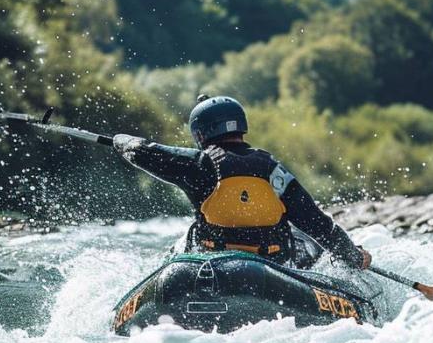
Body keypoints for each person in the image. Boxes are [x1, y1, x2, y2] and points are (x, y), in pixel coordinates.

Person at [112, 94, 372, 270]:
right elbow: (318, 223)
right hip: (274, 265)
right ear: (241, 126)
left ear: (200, 134)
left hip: (213, 263)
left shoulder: (197, 164)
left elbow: (141, 150)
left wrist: (118, 140)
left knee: (186, 238)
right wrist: (352, 256)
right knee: (304, 237)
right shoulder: (273, 169)